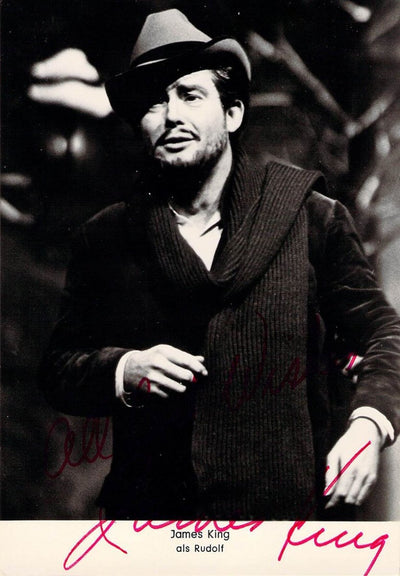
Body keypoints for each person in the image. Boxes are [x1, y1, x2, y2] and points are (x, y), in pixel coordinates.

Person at [39, 8, 400, 520]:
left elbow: (384, 333)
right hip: (156, 529)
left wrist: (368, 426)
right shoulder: (108, 237)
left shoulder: (310, 217)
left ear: (232, 115)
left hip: (288, 528)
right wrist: (124, 368)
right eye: (153, 103)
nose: (170, 115)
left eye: (189, 95)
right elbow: (58, 368)